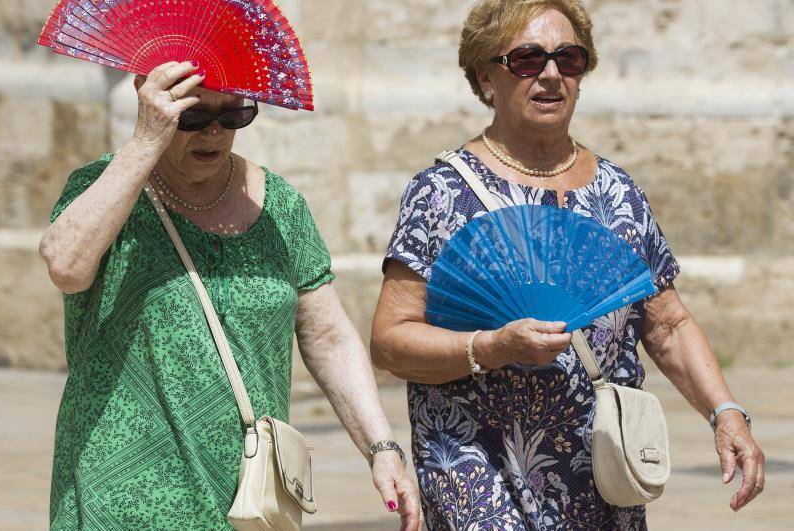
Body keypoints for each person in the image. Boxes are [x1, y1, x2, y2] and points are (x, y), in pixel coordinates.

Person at [371, 1, 764, 529]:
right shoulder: (442, 194)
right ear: (486, 76)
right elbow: (391, 339)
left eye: (569, 59)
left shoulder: (617, 193)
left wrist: (726, 413)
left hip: (602, 473)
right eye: (529, 59)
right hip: (480, 474)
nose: (552, 74)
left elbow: (667, 324)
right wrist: (493, 347)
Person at [39, 61, 420, 530]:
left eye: (234, 115)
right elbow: (66, 268)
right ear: (152, 100)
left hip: (246, 501)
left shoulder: (279, 204)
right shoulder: (101, 188)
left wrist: (381, 448)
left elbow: (328, 336)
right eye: (194, 117)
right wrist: (143, 142)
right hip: (121, 500)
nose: (215, 132)